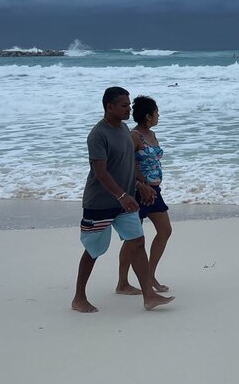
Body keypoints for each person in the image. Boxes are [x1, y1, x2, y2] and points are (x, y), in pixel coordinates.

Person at [71, 86, 173, 313]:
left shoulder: (124, 129)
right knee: (93, 250)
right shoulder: (98, 135)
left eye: (129, 105)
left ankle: (149, 296)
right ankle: (78, 298)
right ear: (110, 107)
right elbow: (100, 172)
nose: (129, 109)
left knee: (137, 242)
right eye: (124, 105)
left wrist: (140, 185)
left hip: (125, 201)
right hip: (100, 202)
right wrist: (121, 195)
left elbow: (129, 165)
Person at [116, 95, 173, 295]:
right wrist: (140, 184)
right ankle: (122, 282)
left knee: (165, 230)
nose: (158, 115)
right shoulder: (134, 136)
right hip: (139, 191)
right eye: (156, 112)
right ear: (148, 116)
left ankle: (149, 275)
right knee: (133, 239)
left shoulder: (152, 134)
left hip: (154, 191)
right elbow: (128, 163)